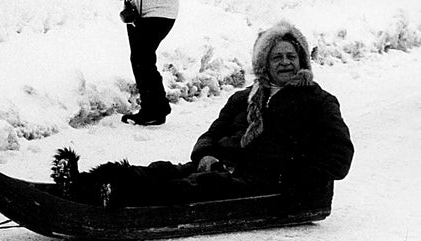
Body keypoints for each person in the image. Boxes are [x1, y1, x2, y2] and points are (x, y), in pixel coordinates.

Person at [57, 21, 353, 207]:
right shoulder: (244, 98)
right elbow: (211, 134)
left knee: (198, 187)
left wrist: (287, 173)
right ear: (265, 63)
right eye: (278, 57)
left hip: (271, 185)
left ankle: (114, 196)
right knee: (165, 171)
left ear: (302, 60)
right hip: (226, 167)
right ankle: (89, 183)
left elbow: (338, 157)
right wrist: (205, 156)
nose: (286, 63)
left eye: (292, 56)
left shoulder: (318, 101)